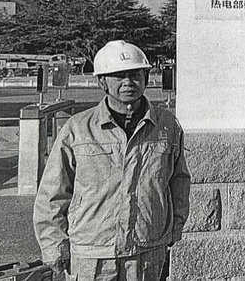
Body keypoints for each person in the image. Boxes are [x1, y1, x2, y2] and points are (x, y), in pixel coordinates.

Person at [34, 40, 190, 281]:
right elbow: (52, 194)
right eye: (118, 76)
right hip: (92, 252)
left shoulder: (167, 125)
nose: (128, 82)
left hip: (147, 249)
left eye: (135, 75)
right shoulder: (78, 129)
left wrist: (174, 229)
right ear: (102, 82)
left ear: (146, 78)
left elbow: (179, 183)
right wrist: (54, 246)